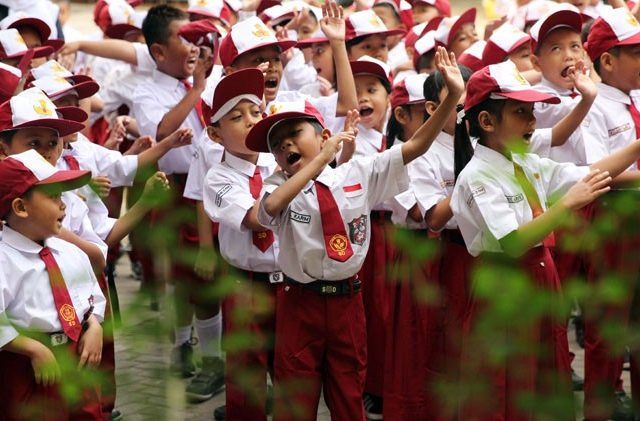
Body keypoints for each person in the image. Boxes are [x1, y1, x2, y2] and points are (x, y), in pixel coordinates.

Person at [248, 46, 463, 420]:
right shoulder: (277, 184)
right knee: (294, 402)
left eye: (295, 133)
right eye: (276, 144)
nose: (285, 145)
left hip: (347, 302)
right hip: (301, 302)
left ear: (324, 134)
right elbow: (266, 211)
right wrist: (316, 161)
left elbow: (415, 145)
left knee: (349, 396)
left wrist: (453, 99)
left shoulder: (357, 173)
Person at [450, 59, 640, 420]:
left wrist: (637, 147)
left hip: (541, 278)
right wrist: (567, 205)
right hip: (506, 283)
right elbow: (511, 242)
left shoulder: (527, 163)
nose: (532, 122)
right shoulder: (477, 176)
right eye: (520, 112)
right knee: (506, 384)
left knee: (544, 376)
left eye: (532, 111)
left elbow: (591, 172)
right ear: (487, 122)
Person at [131, 4, 223, 386]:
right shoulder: (147, 89)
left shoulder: (206, 78)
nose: (194, 47)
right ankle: (194, 350)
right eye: (184, 39)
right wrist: (198, 89)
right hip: (179, 189)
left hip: (215, 185)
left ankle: (204, 351)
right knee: (189, 278)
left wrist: (206, 81)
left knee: (207, 276)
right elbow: (163, 129)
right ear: (158, 52)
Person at [0, 149, 106, 420]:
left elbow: (93, 297)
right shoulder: (4, 260)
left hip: (77, 358)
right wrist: (32, 348)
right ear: (21, 208)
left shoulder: (70, 251)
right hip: (28, 367)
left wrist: (93, 325)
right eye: (53, 196)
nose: (64, 205)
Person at [202, 68, 278, 420]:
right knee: (246, 374)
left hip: (289, 283)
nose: (250, 121)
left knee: (292, 372)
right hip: (244, 285)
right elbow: (253, 219)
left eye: (257, 113)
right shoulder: (218, 176)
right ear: (215, 134)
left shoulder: (280, 164)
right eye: (237, 116)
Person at [582, 6, 640, 419]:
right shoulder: (594, 105)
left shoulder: (634, 98)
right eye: (636, 53)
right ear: (608, 60)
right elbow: (594, 173)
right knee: (608, 328)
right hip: (614, 219)